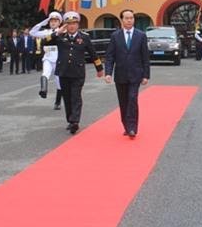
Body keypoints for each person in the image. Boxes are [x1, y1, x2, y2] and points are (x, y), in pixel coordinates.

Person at [52, 11, 103, 134]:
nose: (71, 26)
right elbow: (46, 42)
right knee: (67, 98)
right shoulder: (60, 37)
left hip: (78, 73)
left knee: (76, 96)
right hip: (63, 72)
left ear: (78, 25)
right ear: (65, 25)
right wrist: (57, 32)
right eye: (69, 24)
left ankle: (75, 121)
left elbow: (93, 53)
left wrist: (99, 68)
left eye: (74, 23)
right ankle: (70, 119)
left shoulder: (84, 37)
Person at [104, 9, 150, 139]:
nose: (129, 20)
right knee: (123, 102)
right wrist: (108, 73)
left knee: (132, 99)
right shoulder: (115, 36)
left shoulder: (141, 35)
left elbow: (145, 57)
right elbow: (110, 56)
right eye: (127, 18)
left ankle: (132, 128)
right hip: (121, 75)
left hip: (136, 74)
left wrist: (146, 75)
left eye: (131, 18)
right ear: (122, 20)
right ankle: (126, 125)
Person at [30, 11, 64, 109]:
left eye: (55, 21)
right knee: (45, 74)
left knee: (59, 82)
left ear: (59, 22)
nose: (53, 23)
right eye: (51, 21)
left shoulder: (61, 32)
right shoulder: (46, 32)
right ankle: (43, 90)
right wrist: (42, 23)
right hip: (48, 58)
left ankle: (57, 103)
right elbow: (32, 32)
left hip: (58, 59)